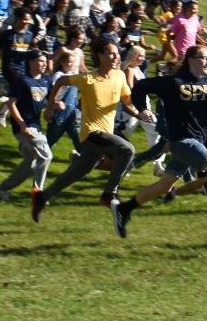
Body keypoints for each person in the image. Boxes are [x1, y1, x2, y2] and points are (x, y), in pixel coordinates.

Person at [109, 45, 207, 243]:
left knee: (165, 185)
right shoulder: (174, 82)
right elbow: (141, 87)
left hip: (197, 141)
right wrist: (142, 109)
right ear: (191, 59)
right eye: (204, 58)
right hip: (182, 140)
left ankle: (124, 209)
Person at [29, 41, 152, 222]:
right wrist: (50, 107)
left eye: (117, 53)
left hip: (104, 135)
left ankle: (41, 197)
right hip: (91, 134)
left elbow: (126, 102)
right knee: (128, 150)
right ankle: (108, 195)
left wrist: (140, 114)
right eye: (111, 53)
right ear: (100, 56)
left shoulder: (119, 76)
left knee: (77, 172)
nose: (116, 56)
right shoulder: (88, 79)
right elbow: (62, 81)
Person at [0, 48, 55, 201]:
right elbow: (11, 102)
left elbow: (44, 102)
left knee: (31, 163)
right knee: (46, 156)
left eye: (45, 62)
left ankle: (1, 189)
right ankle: (37, 194)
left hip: (36, 125)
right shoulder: (23, 80)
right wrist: (21, 124)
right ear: (31, 62)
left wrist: (55, 105)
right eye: (40, 61)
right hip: (25, 127)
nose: (44, 64)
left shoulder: (46, 80)